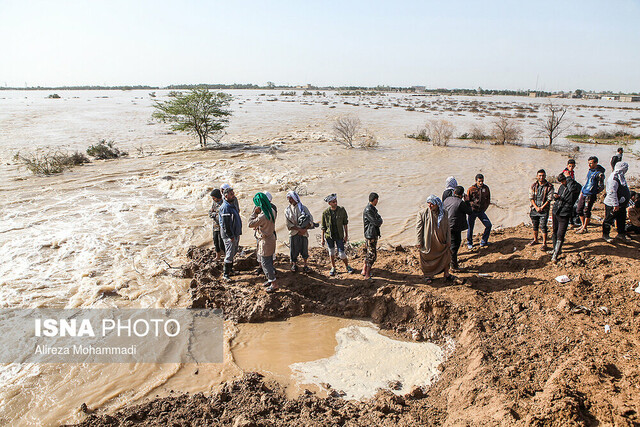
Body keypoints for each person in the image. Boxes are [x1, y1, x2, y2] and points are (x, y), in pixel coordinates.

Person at [416, 195, 454, 284]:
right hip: (428, 241)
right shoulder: (422, 213)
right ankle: (428, 275)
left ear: (437, 204)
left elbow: (448, 228)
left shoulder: (444, 213)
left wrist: (448, 240)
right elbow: (419, 228)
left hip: (442, 241)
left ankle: (446, 273)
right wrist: (419, 241)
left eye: (432, 204)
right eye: (428, 204)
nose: (429, 206)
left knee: (446, 256)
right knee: (426, 258)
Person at [248, 192, 278, 292]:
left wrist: (255, 212)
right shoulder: (272, 210)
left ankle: (273, 283)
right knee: (269, 260)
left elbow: (250, 224)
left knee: (265, 263)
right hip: (271, 238)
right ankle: (270, 279)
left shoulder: (263, 216)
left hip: (265, 241)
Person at [321, 194, 355, 276]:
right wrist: (322, 239)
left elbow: (345, 224)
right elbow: (323, 227)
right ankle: (333, 267)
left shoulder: (342, 210)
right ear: (329, 203)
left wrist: (346, 235)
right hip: (329, 236)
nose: (335, 203)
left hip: (339, 235)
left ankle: (347, 266)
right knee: (331, 252)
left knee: (342, 254)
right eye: (333, 202)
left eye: (336, 201)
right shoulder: (325, 213)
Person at [550, 173, 581, 263]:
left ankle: (555, 255)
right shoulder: (562, 186)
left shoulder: (576, 186)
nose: (562, 183)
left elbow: (572, 189)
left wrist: (569, 179)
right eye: (561, 181)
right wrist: (556, 197)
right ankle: (555, 250)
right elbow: (559, 197)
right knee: (555, 231)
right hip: (557, 211)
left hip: (565, 213)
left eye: (564, 181)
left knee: (561, 234)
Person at [443, 186, 472, 271]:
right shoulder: (460, 202)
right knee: (454, 246)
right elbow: (469, 211)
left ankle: (447, 262)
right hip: (455, 227)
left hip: (445, 226)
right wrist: (467, 201)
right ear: (461, 195)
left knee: (447, 245)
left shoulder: (447, 200)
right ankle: (454, 266)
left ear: (454, 192)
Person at [285, 191, 314, 273]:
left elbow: (310, 220)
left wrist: (304, 229)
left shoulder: (303, 208)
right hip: (294, 233)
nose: (290, 200)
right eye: (289, 199)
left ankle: (305, 265)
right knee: (293, 251)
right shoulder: (287, 210)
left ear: (295, 198)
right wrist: (299, 230)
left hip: (304, 233)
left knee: (304, 250)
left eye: (291, 198)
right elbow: (288, 224)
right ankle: (294, 264)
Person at [576, 156, 605, 234]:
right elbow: (587, 181)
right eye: (588, 163)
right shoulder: (590, 171)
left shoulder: (599, 174)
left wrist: (594, 192)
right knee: (579, 209)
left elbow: (601, 186)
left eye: (591, 163)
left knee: (586, 211)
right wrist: (583, 190)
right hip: (584, 192)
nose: (589, 165)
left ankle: (585, 227)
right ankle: (583, 225)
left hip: (590, 194)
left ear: (596, 163)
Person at [602, 162, 631, 242]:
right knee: (609, 219)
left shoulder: (620, 177)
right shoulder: (613, 178)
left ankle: (621, 234)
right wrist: (615, 204)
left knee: (621, 219)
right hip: (612, 204)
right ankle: (606, 235)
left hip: (621, 204)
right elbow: (612, 192)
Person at [219, 186, 242, 281]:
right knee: (229, 254)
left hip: (234, 233)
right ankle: (226, 274)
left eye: (233, 194)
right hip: (229, 236)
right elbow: (226, 225)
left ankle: (231, 270)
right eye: (231, 194)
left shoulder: (231, 205)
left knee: (232, 252)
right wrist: (231, 236)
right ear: (226, 196)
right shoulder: (225, 208)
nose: (234, 196)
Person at [528, 169, 554, 250]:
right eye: (540, 175)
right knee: (535, 225)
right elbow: (531, 198)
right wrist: (536, 207)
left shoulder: (549, 186)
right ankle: (535, 240)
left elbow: (549, 199)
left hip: (544, 209)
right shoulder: (533, 186)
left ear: (545, 176)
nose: (541, 177)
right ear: (537, 176)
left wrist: (541, 207)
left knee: (543, 226)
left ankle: (544, 243)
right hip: (534, 209)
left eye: (543, 175)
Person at [253, 191, 277, 275]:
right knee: (262, 254)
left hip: (265, 236)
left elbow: (251, 223)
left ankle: (271, 277)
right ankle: (263, 269)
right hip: (264, 234)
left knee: (266, 259)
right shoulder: (264, 208)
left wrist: (256, 215)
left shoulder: (270, 209)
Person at [466, 174, 492, 249]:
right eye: (479, 181)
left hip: (481, 211)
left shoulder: (486, 188)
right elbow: (467, 201)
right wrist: (470, 209)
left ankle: (484, 241)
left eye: (482, 181)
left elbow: (488, 199)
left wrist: (484, 208)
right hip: (473, 211)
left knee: (488, 225)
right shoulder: (471, 189)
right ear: (476, 181)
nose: (481, 183)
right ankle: (469, 243)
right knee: (470, 228)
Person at [362, 192, 383, 280]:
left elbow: (379, 219)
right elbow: (376, 222)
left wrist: (379, 220)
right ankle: (367, 274)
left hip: (371, 234)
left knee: (369, 253)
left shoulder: (372, 209)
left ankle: (364, 270)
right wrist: (379, 221)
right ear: (375, 200)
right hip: (370, 235)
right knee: (372, 255)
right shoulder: (369, 210)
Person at [208, 189, 225, 262]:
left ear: (218, 197)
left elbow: (222, 216)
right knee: (215, 241)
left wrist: (214, 215)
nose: (213, 199)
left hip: (222, 226)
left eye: (214, 198)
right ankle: (217, 256)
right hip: (215, 226)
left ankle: (225, 257)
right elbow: (210, 212)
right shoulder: (214, 203)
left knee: (222, 243)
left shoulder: (224, 204)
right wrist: (213, 214)